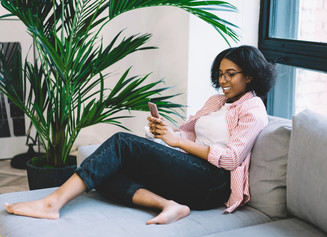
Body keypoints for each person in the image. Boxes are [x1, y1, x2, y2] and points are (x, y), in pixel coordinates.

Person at [4, 45, 276, 224]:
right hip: (190, 171)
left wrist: (177, 142)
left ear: (250, 77)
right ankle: (169, 206)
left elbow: (230, 159)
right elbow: (189, 135)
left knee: (122, 141)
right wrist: (167, 132)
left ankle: (52, 203)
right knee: (106, 171)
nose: (224, 80)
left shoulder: (253, 109)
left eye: (231, 74)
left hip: (213, 184)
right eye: (220, 74)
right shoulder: (216, 101)